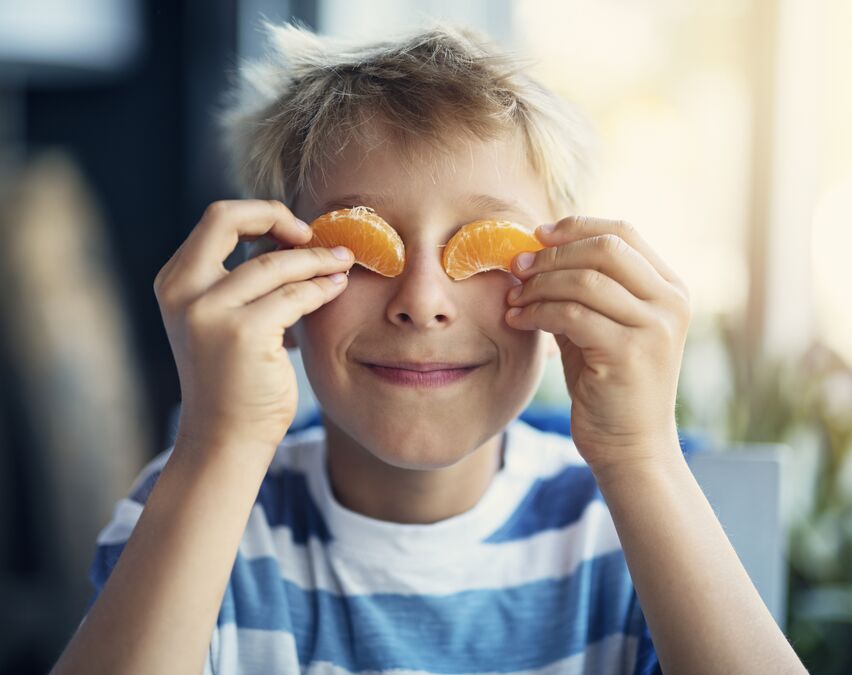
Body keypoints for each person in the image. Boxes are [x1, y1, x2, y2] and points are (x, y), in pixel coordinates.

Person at [51, 21, 807, 675]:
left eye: (481, 250)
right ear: (277, 270)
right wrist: (220, 442)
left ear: (568, 279)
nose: (421, 300)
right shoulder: (197, 510)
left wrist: (641, 453)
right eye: (363, 244)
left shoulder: (627, 533)